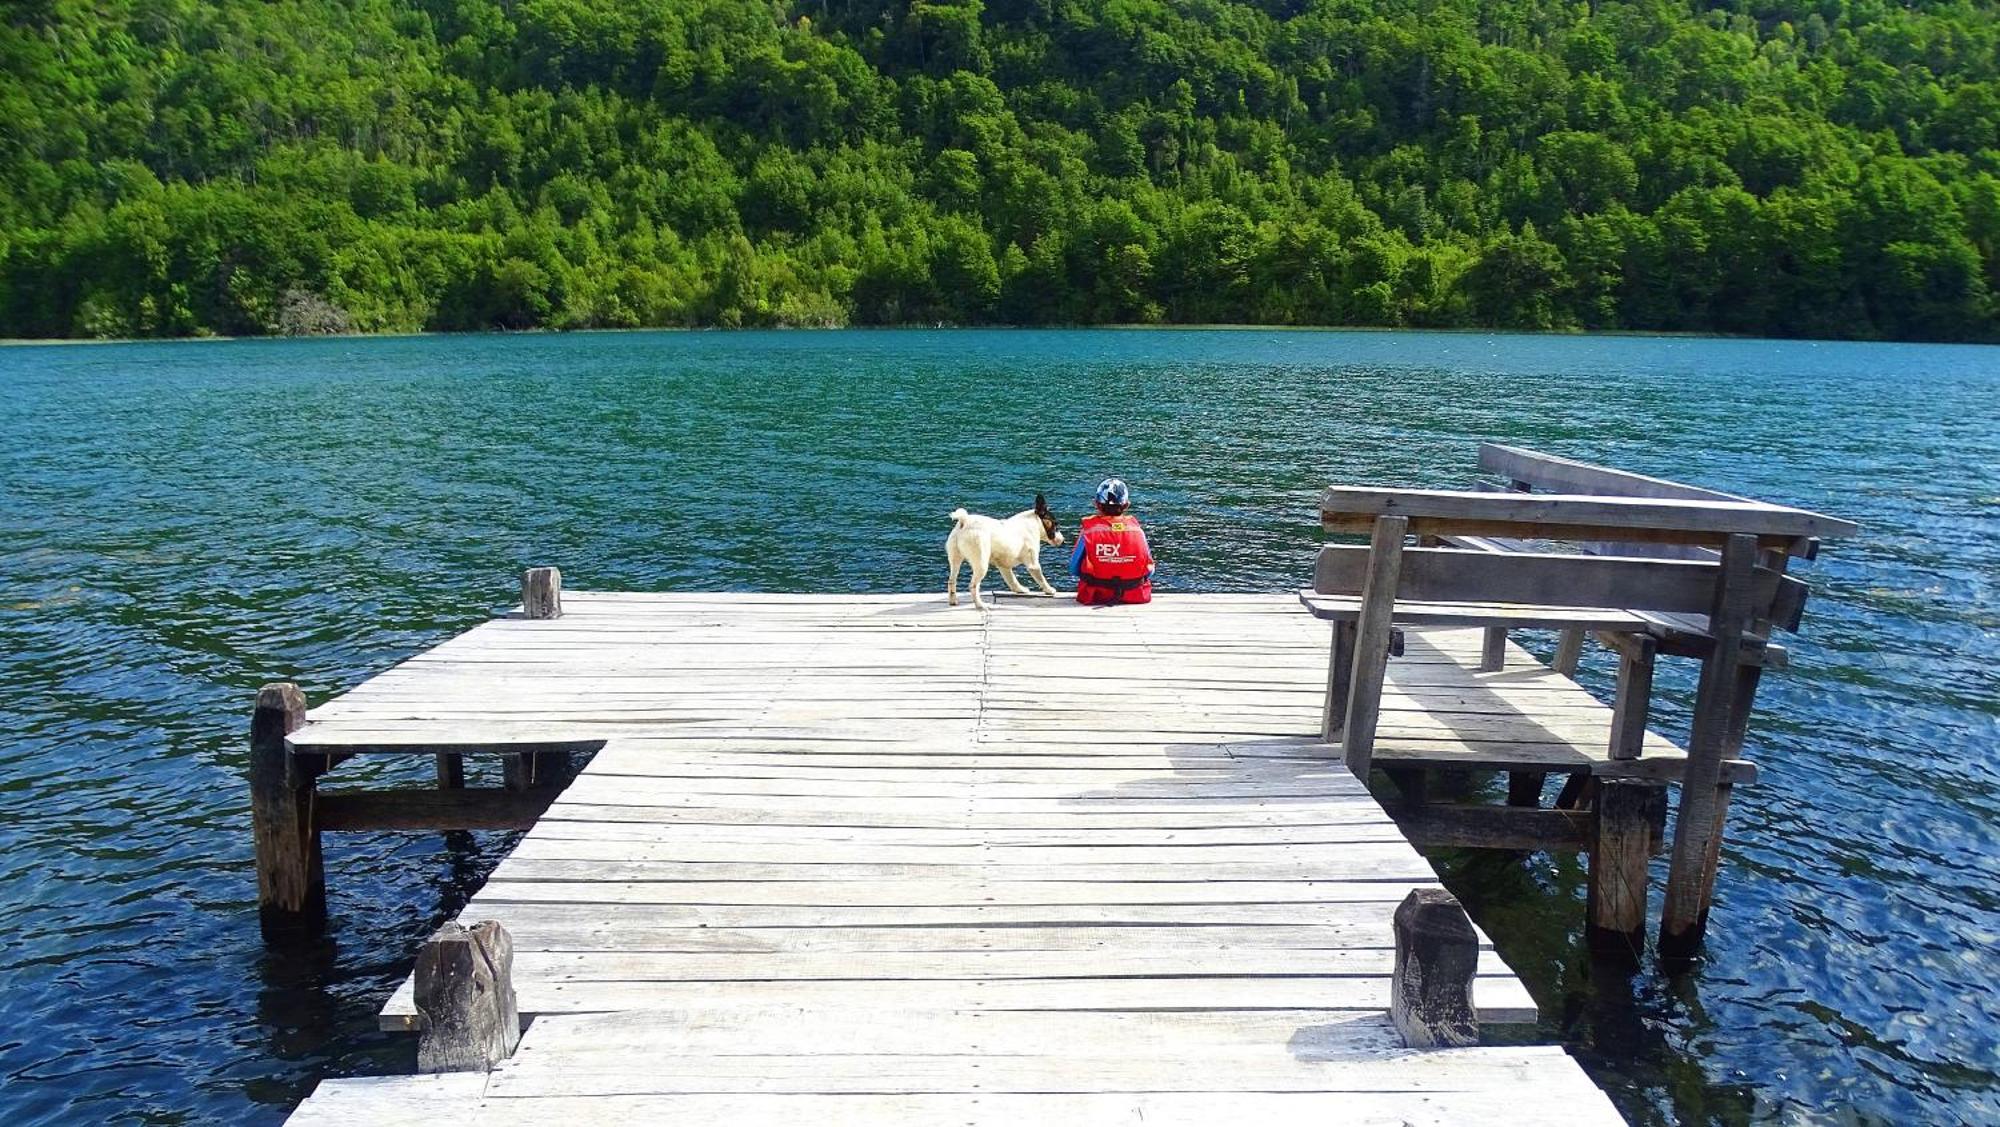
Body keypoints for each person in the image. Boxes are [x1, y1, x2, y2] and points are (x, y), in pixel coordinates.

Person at [1070, 477, 1155, 605]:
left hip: (1097, 594)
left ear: (1096, 504)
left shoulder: (1089, 531)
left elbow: (1073, 568)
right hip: (1134, 594)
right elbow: (1149, 570)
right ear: (1126, 505)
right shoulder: (1137, 531)